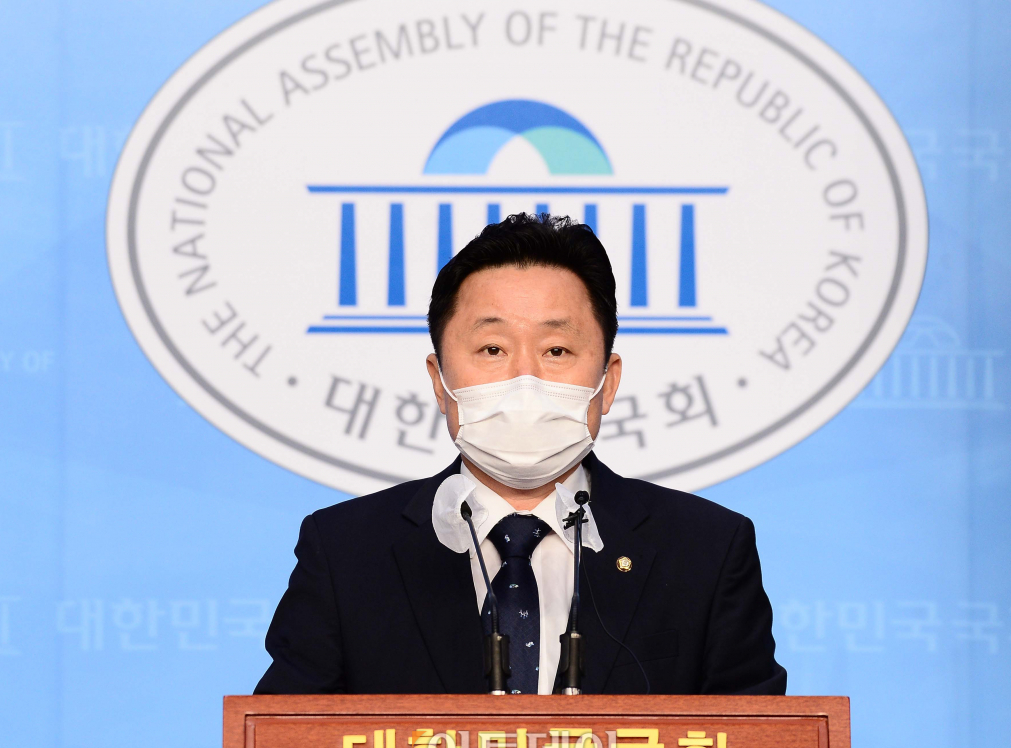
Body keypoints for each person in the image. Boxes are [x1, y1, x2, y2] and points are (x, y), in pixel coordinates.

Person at [255, 213, 785, 695]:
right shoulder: (346, 553)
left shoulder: (706, 551)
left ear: (607, 382)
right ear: (439, 381)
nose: (524, 379)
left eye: (557, 350)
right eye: (492, 349)